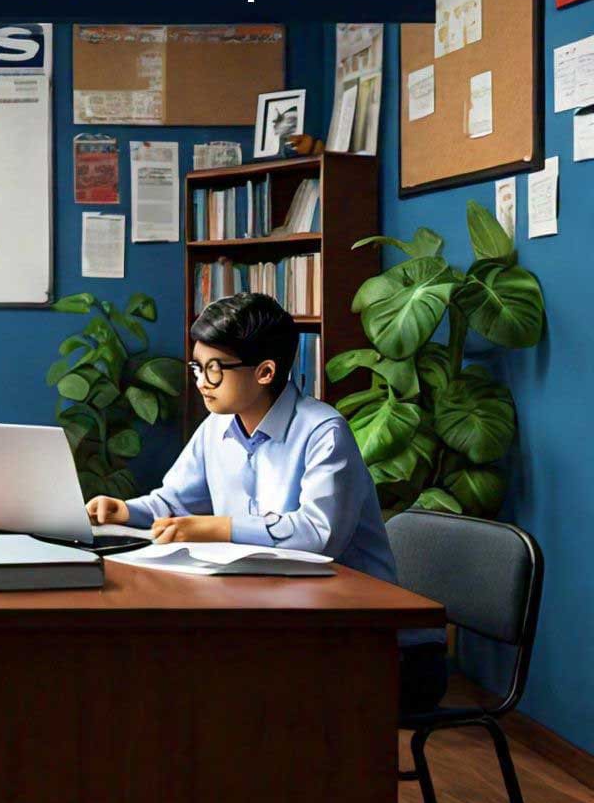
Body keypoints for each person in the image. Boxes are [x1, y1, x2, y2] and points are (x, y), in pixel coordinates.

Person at [85, 292, 447, 713]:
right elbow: (175, 502)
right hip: (274, 615)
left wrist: (219, 526)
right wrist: (126, 510)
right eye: (197, 367)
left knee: (224, 688)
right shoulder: (215, 427)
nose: (201, 381)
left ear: (265, 372)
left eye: (215, 370)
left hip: (373, 643)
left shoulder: (324, 432)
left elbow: (318, 536)